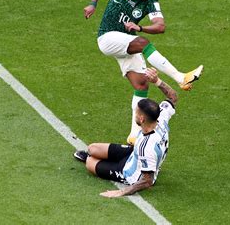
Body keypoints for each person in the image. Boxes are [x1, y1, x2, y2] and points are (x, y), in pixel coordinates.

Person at [83, 0, 202, 144]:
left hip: (127, 42)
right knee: (143, 43)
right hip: (107, 38)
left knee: (142, 83)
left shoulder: (151, 1)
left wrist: (141, 28)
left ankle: (133, 134)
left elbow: (160, 26)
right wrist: (93, 3)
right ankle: (180, 77)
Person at [73, 68, 177, 197]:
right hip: (133, 154)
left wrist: (121, 192)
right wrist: (157, 81)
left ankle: (100, 163)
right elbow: (172, 96)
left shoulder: (147, 147)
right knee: (92, 148)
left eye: (136, 112)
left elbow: (147, 181)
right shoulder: (160, 118)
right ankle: (101, 159)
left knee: (89, 162)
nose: (135, 113)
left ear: (142, 119)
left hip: (130, 173)